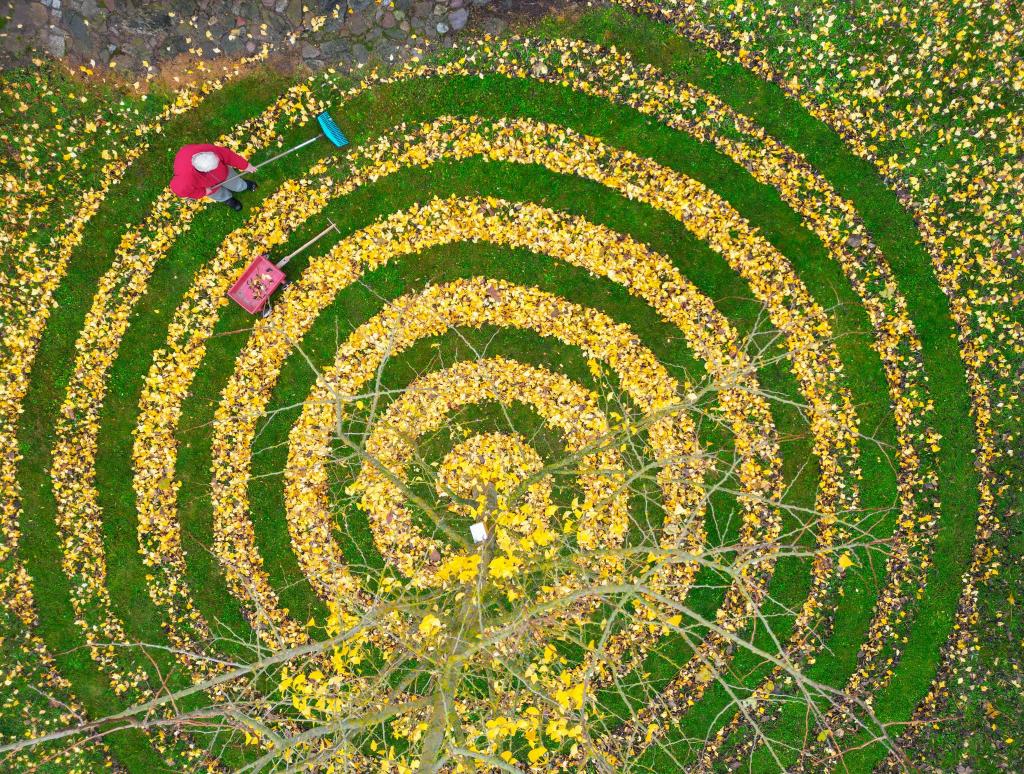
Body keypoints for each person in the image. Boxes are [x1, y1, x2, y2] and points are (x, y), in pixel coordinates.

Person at [169, 143, 258, 211]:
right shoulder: (185, 180)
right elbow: (183, 192)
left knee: (235, 184)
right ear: (202, 170)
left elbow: (228, 156)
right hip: (207, 186)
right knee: (217, 193)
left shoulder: (209, 150)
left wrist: (245, 166)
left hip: (224, 173)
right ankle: (227, 199)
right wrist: (203, 192)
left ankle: (243, 185)